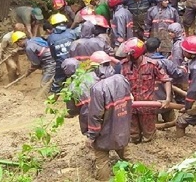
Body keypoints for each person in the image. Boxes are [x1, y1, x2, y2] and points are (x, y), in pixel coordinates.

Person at [87, 51, 132, 181]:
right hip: (122, 127)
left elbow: (95, 116)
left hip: (105, 132)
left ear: (95, 68)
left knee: (102, 159)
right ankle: (136, 174)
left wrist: (91, 136)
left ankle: (104, 179)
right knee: (126, 154)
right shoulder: (122, 79)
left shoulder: (97, 88)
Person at [119, 37, 172, 143]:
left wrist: (167, 99)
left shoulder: (152, 64)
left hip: (147, 106)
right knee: (133, 134)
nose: (126, 56)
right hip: (131, 105)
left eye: (128, 54)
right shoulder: (124, 65)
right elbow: (121, 82)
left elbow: (166, 80)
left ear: (135, 54)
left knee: (149, 135)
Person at [145, 37, 186, 123]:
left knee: (151, 121)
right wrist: (183, 68)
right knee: (170, 117)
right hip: (165, 97)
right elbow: (177, 73)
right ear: (158, 48)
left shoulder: (142, 62)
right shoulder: (165, 62)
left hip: (148, 100)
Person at [62, 58, 99, 134]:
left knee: (89, 132)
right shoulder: (93, 75)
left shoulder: (70, 88)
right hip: (102, 105)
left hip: (86, 113)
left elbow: (72, 110)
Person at [47, 13, 78, 93]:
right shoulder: (72, 33)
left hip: (61, 64)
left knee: (57, 83)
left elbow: (54, 55)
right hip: (75, 62)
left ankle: (52, 100)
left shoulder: (51, 38)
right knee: (78, 81)